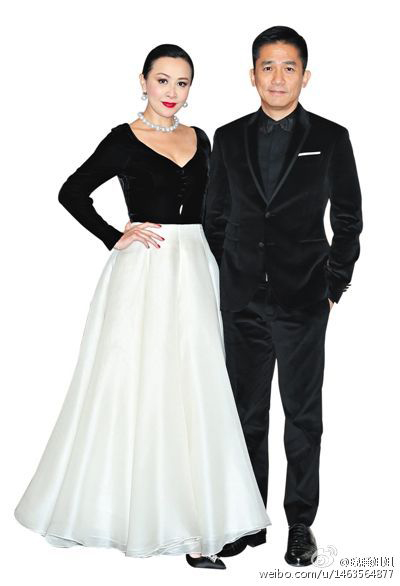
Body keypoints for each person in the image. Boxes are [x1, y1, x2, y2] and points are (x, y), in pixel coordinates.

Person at [14, 44, 271, 570]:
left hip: (197, 267)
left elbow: (219, 208)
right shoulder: (122, 139)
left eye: (182, 82)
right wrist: (115, 235)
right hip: (146, 271)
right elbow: (71, 192)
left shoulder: (201, 138)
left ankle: (199, 529)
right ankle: (131, 516)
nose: (172, 92)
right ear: (144, 81)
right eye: (163, 80)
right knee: (141, 387)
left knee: (198, 388)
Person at [203, 26, 363, 566]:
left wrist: (332, 286)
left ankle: (300, 524)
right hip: (242, 302)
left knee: (302, 417)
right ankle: (248, 519)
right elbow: (215, 216)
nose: (277, 77)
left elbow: (348, 218)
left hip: (303, 300)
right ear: (252, 75)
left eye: (288, 67)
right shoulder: (227, 137)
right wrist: (233, 276)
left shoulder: (332, 137)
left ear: (305, 76)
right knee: (245, 415)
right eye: (267, 67)